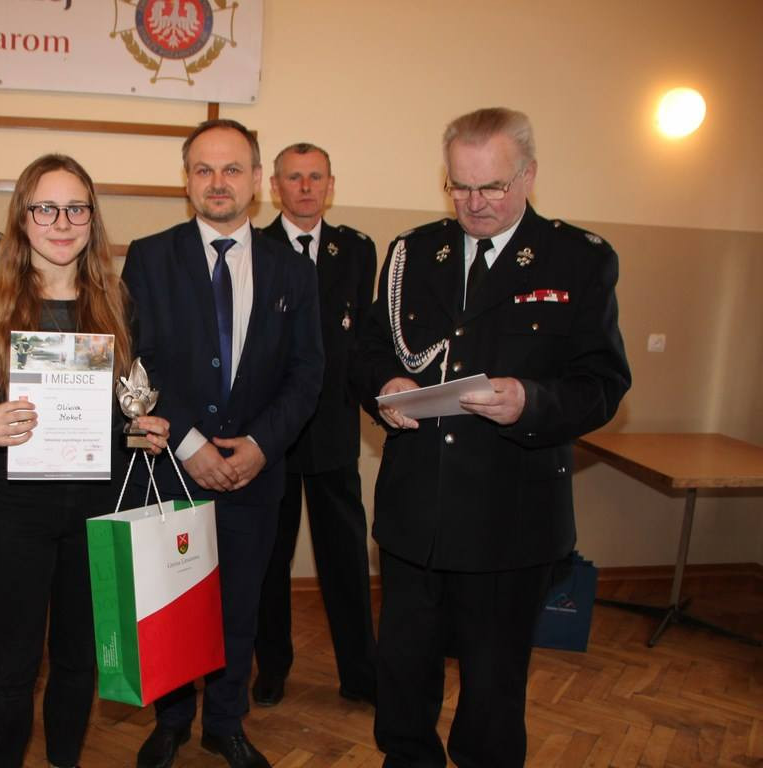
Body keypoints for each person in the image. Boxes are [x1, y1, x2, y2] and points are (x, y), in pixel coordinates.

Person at [350, 107, 631, 767]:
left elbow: (603, 384)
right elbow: (366, 348)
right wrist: (386, 383)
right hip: (417, 510)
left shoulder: (577, 259)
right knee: (403, 672)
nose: (473, 203)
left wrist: (531, 401)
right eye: (459, 186)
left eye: (492, 187)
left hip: (511, 517)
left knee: (494, 686)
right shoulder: (415, 252)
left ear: (528, 175)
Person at [0, 153, 170, 768]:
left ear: (92, 218)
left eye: (75, 209)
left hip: (97, 508)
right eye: (46, 208)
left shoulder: (116, 305)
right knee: (12, 669)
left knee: (78, 662)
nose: (61, 223)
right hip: (14, 512)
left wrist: (142, 430)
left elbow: (123, 412)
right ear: (22, 217)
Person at [123, 120, 324, 768]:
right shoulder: (150, 257)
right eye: (203, 169)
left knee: (240, 606)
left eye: (232, 169)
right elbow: (137, 360)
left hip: (253, 475)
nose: (218, 182)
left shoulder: (293, 270)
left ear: (257, 180)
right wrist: (189, 444)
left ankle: (225, 723)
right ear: (186, 180)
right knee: (173, 604)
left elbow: (307, 373)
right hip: (172, 469)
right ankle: (173, 721)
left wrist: (261, 445)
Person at [252, 143, 378, 707]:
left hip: (332, 431)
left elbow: (362, 340)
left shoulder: (357, 250)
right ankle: (272, 668)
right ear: (274, 186)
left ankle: (361, 674)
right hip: (273, 433)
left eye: (315, 177)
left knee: (345, 560)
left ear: (330, 184)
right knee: (269, 560)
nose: (305, 187)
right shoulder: (255, 248)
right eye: (294, 178)